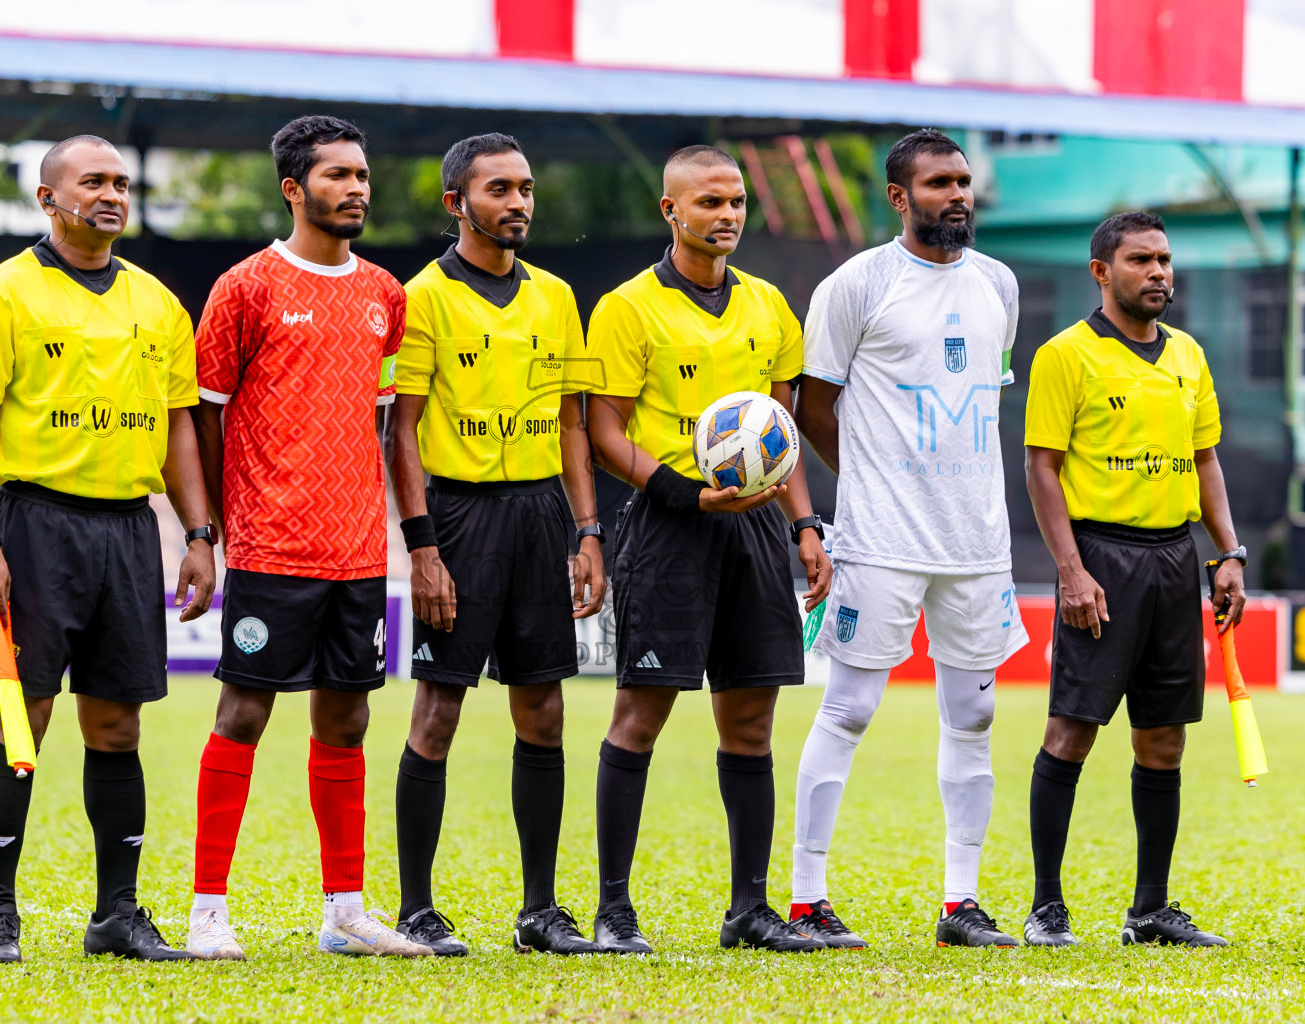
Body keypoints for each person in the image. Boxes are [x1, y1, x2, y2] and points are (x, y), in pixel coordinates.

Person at [0, 134, 215, 963]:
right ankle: (0, 914)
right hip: (33, 528)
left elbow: (178, 431)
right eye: (92, 180)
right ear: (47, 198)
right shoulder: (2, 295)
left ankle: (117, 915)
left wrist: (199, 533)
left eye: (122, 182)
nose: (111, 194)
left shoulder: (160, 305)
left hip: (128, 529)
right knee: (21, 721)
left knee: (118, 727)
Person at [184, 115, 432, 960]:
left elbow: (385, 421)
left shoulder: (386, 297)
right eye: (337, 176)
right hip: (267, 544)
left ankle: (346, 912)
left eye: (361, 175)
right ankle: (208, 910)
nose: (356, 188)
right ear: (294, 188)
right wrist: (211, 532)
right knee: (244, 713)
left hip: (358, 550)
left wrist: (407, 537)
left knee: (349, 723)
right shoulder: (244, 287)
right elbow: (205, 422)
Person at [585, 145, 830, 954]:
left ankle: (749, 912)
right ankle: (615, 911)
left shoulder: (769, 306)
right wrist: (684, 493)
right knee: (642, 712)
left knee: (751, 718)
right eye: (709, 202)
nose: (726, 215)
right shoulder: (626, 308)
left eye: (736, 202)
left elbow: (782, 434)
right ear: (671, 211)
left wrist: (804, 527)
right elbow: (604, 429)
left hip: (757, 528)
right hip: (669, 524)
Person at [792, 128, 1026, 949]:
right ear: (900, 197)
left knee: (974, 716)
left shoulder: (999, 282)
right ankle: (807, 900)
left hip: (976, 545)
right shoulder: (857, 284)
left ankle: (960, 904)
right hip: (882, 538)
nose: (957, 194)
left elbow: (980, 396)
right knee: (849, 709)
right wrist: (870, 478)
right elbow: (812, 405)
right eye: (938, 183)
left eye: (963, 181)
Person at [389, 133, 606, 956]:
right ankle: (417, 909)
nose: (518, 202)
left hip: (542, 515)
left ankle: (540, 913)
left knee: (543, 710)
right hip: (459, 518)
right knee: (438, 709)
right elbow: (399, 433)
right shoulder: (422, 299)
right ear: (457, 203)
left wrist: (587, 531)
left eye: (525, 188)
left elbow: (571, 422)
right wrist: (421, 547)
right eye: (499, 190)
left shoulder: (556, 295)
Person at [1022, 211, 1243, 948]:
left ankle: (1150, 911)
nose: (1158, 272)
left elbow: (1206, 460)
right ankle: (1047, 907)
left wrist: (1230, 552)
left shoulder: (1188, 356)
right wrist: (1072, 571)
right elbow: (1041, 467)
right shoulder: (1066, 354)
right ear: (1101, 271)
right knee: (1072, 730)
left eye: (1165, 260)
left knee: (1164, 741)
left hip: (1176, 558)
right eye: (1142, 260)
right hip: (1102, 560)